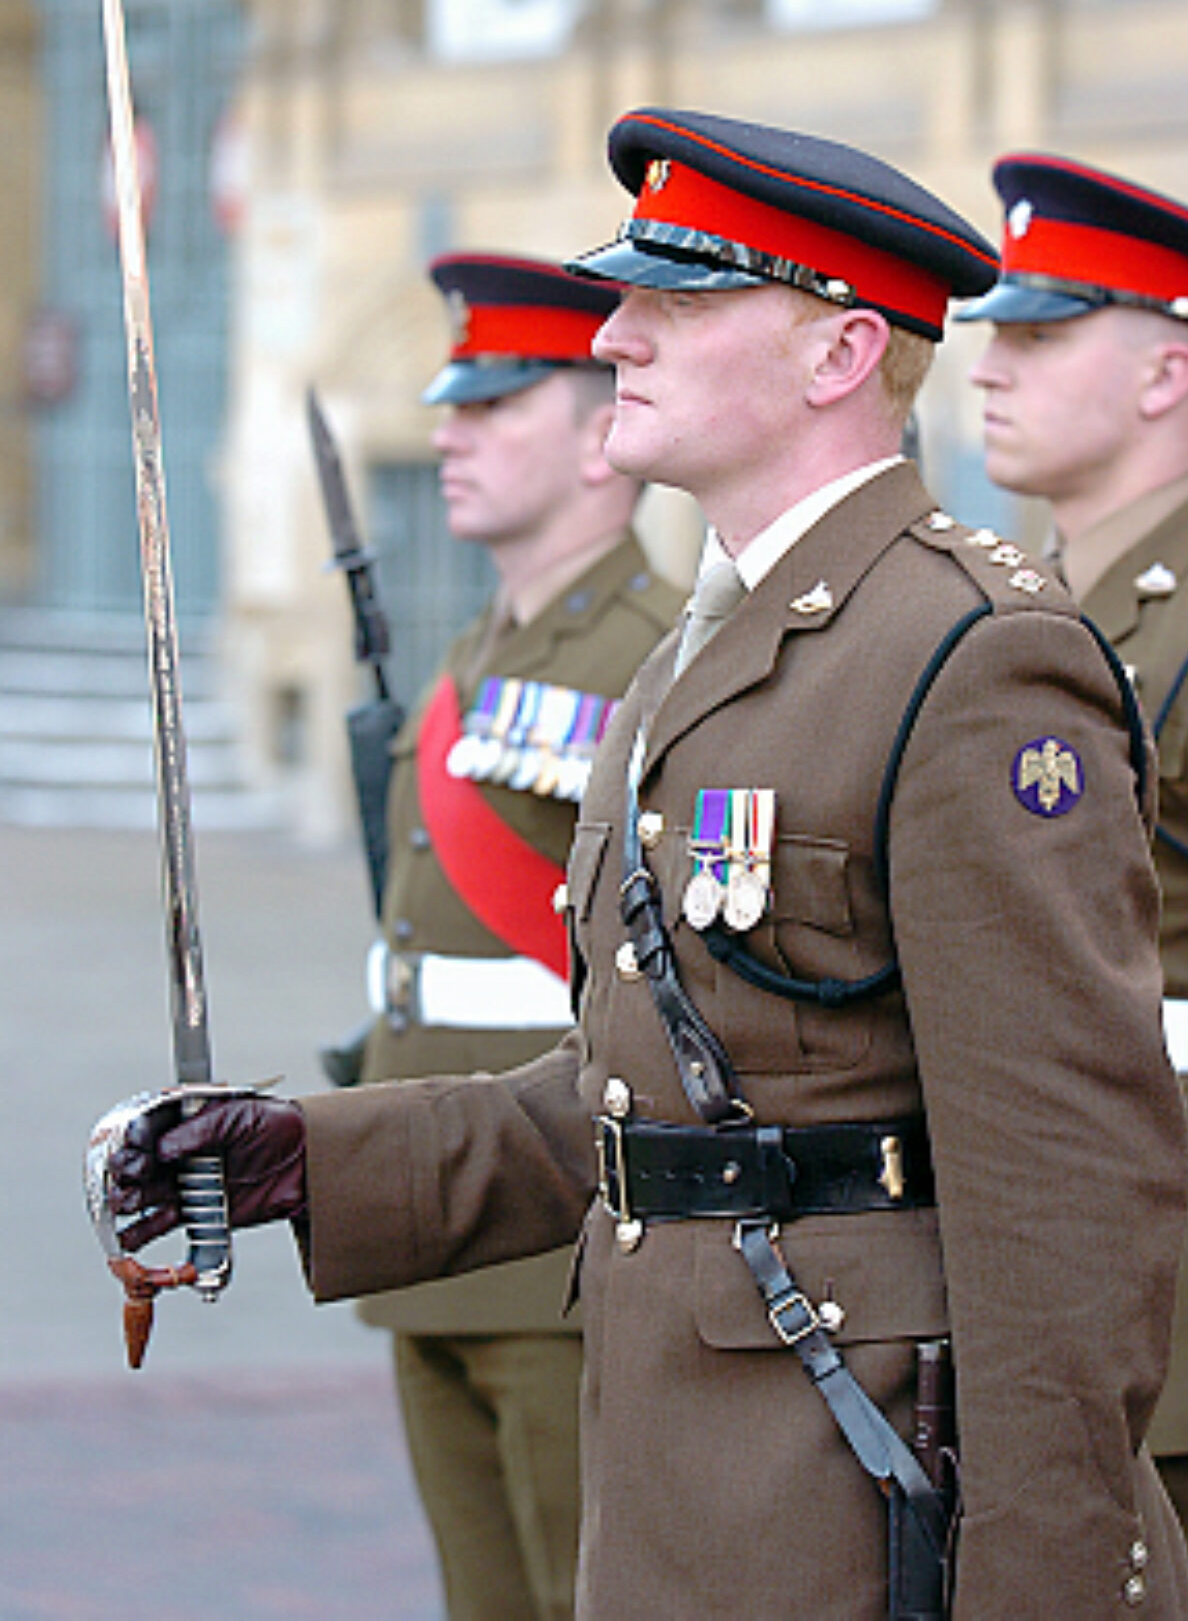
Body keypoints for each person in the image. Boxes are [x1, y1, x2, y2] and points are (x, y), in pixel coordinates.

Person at [107, 110, 1188, 1618]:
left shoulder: (972, 656)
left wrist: (1046, 1587)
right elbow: (656, 1101)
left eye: (676, 303)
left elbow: (1066, 1188)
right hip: (688, 1483)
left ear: (836, 356)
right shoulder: (708, 651)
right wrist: (308, 1157)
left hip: (858, 1502)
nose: (612, 336)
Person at [353, 251, 683, 1621]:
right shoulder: (468, 658)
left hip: (561, 1231)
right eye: (451, 402)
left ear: (606, 430)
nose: (448, 431)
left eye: (494, 404)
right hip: (427, 1214)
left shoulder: (661, 658)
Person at [960, 151, 1188, 1584]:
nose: (991, 368)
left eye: (1042, 336)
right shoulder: (1020, 601)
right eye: (992, 332)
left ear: (1169, 373)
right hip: (1043, 1249)